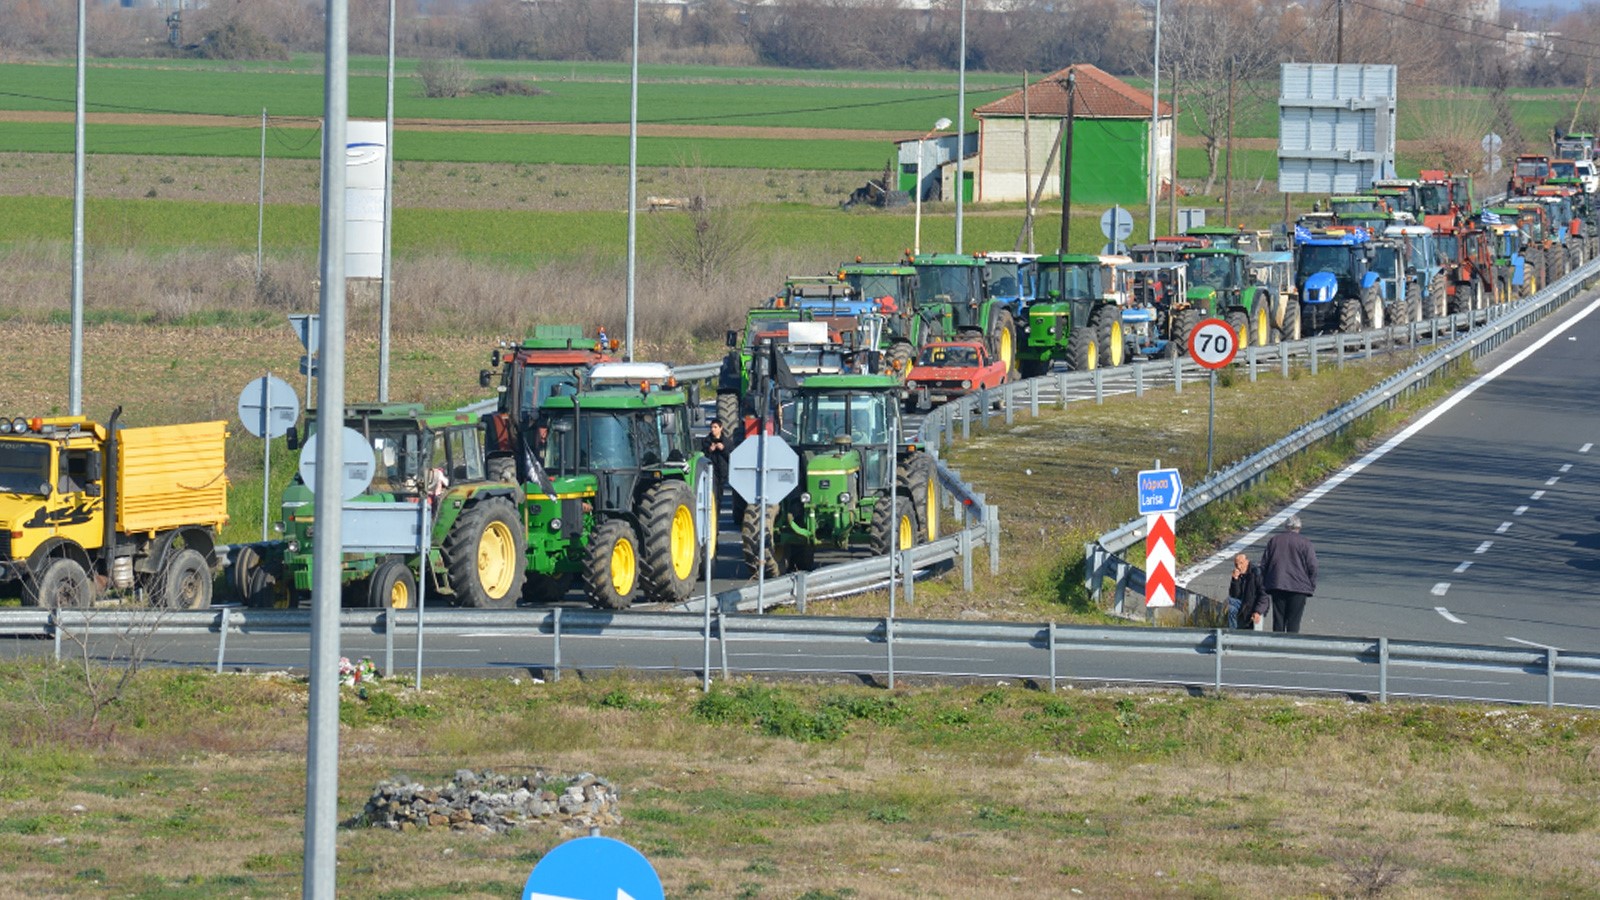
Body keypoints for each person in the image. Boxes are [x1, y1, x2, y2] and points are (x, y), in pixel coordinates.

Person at [1260, 514, 1318, 633]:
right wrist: (1311, 585)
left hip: (1277, 584)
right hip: (1299, 588)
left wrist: (1264, 583)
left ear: (1286, 527)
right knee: (1294, 621)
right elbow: (1313, 565)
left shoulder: (1274, 540)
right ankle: (1290, 645)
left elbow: (1264, 563)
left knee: (1278, 619)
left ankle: (1277, 646)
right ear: (1299, 528)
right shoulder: (1305, 543)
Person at [1226, 553, 1267, 630]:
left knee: (1230, 603)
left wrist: (1258, 611)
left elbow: (1264, 595)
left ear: (1247, 562)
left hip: (1252, 604)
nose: (1239, 567)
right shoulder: (1239, 575)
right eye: (1236, 564)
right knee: (1228, 603)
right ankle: (1232, 634)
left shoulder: (1256, 573)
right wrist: (1235, 580)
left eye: (1241, 563)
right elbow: (1235, 595)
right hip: (1243, 603)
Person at [701, 418, 731, 504]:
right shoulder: (706, 441)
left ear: (721, 428)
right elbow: (701, 457)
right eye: (711, 427)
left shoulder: (727, 442)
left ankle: (717, 515)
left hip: (722, 475)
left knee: (719, 498)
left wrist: (723, 449)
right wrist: (709, 450)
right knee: (710, 497)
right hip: (710, 473)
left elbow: (731, 458)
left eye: (715, 427)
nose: (712, 429)